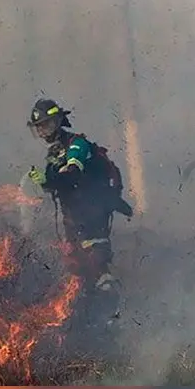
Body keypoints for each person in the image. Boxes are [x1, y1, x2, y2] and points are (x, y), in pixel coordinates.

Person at [26, 98, 133, 291]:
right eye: (39, 128)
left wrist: (47, 180)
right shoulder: (54, 155)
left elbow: (72, 175)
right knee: (78, 270)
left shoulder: (77, 145)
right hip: (74, 217)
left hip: (92, 213)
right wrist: (45, 182)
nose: (43, 133)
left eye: (46, 126)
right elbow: (56, 186)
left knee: (97, 264)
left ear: (58, 121)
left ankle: (111, 307)